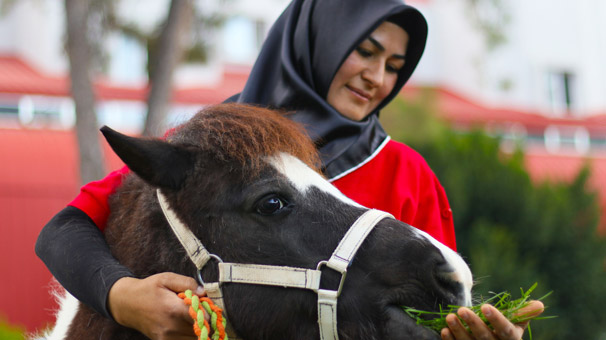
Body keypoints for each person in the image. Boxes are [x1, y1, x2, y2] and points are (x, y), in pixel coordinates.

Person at [36, 0, 543, 339]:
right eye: (364, 51)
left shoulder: (406, 174)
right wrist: (122, 297)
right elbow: (64, 229)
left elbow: (435, 308)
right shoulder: (216, 152)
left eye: (394, 64)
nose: (377, 76)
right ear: (317, 41)